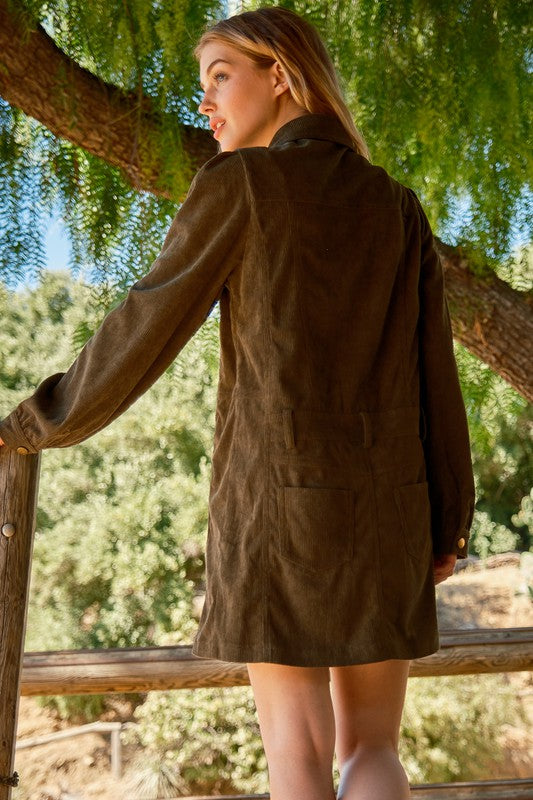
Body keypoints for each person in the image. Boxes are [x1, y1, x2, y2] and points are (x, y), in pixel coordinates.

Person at [0, 7, 475, 799]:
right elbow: (436, 377)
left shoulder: (243, 184)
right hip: (390, 507)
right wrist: (447, 518)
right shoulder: (396, 205)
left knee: (296, 754)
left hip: (277, 511)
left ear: (279, 75)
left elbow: (143, 327)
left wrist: (32, 424)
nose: (205, 101)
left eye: (220, 76)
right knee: (372, 748)